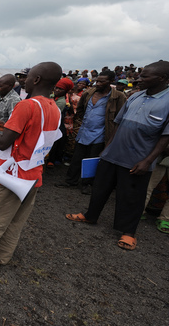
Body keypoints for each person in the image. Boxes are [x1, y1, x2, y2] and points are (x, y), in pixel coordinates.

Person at [0, 62, 63, 271]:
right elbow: (31, 136)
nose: (22, 81)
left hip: (11, 175)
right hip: (33, 175)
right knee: (15, 221)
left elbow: (3, 143)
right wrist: (4, 127)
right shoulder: (53, 107)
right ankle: (2, 256)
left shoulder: (27, 105)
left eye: (27, 77)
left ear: (36, 80)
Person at [66, 61, 169, 250]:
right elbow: (119, 124)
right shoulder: (135, 97)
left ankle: (128, 232)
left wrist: (148, 160)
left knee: (132, 196)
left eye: (145, 76)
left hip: (138, 158)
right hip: (112, 153)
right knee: (100, 188)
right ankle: (90, 216)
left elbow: (165, 137)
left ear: (162, 78)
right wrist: (107, 147)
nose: (139, 79)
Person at [56, 70, 126, 194]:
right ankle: (70, 180)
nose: (98, 83)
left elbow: (119, 118)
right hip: (84, 131)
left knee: (91, 160)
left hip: (101, 134)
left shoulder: (118, 97)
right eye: (97, 81)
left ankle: (86, 184)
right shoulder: (89, 93)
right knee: (77, 157)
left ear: (110, 81)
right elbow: (81, 109)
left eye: (101, 81)